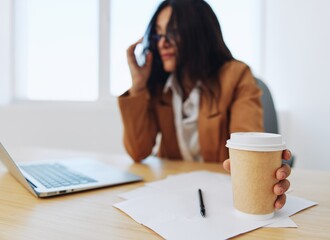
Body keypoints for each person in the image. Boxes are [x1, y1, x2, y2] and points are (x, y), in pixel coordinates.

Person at [118, 0, 291, 209]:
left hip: (222, 198)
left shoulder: (236, 75)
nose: (162, 43)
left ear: (198, 33)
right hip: (173, 197)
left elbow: (247, 152)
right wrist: (138, 87)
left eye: (172, 32)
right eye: (158, 34)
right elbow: (138, 151)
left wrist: (261, 169)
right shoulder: (157, 85)